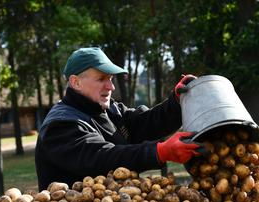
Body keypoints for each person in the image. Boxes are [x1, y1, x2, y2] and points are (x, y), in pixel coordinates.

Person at [35, 47, 203, 191]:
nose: (111, 87)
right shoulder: (60, 125)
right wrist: (160, 152)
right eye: (101, 79)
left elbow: (145, 122)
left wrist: (176, 102)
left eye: (110, 79)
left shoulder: (110, 110)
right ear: (76, 82)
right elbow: (103, 157)